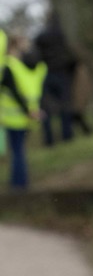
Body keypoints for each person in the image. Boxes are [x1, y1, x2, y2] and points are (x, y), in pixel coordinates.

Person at [1, 34, 45, 190]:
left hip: (14, 116)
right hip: (29, 115)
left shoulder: (10, 66)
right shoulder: (33, 66)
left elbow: (15, 92)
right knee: (19, 150)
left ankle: (18, 184)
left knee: (17, 151)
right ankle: (20, 182)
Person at [33, 12, 79, 145]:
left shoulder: (41, 37)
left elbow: (36, 55)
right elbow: (72, 56)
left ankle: (49, 140)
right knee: (65, 105)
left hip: (46, 73)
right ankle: (67, 136)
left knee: (45, 106)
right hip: (62, 73)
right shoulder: (63, 35)